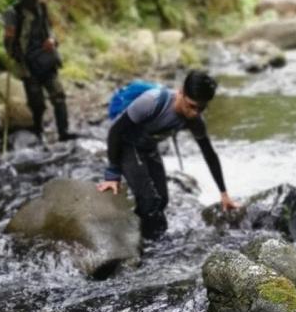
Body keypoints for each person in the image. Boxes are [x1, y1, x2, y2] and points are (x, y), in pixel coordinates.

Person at [96, 70, 239, 240]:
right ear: (181, 92)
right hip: (128, 145)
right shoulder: (152, 102)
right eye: (192, 106)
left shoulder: (195, 120)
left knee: (162, 200)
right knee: (149, 202)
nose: (195, 113)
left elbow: (209, 153)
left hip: (149, 147)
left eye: (201, 108)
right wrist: (112, 174)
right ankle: (137, 244)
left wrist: (223, 193)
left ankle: (148, 239)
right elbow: (115, 131)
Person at [3, 0, 76, 142]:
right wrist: (10, 47)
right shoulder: (12, 13)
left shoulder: (42, 8)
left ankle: (64, 132)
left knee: (59, 96)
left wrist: (52, 40)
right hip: (27, 64)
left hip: (47, 59)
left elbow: (50, 31)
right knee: (37, 103)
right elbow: (8, 40)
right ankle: (38, 133)